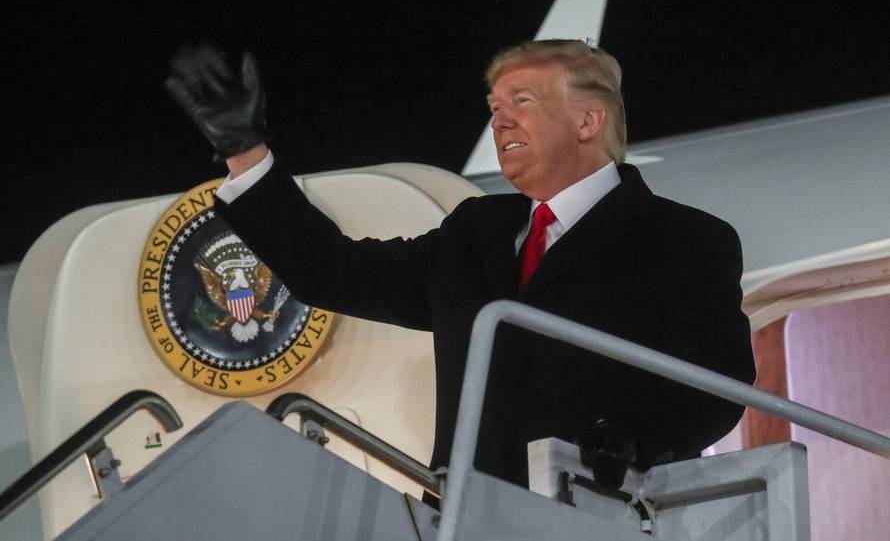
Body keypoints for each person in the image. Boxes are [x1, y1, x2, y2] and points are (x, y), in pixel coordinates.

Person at [166, 40, 756, 494]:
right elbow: (332, 271)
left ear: (588, 122)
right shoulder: (475, 233)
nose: (499, 122)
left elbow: (713, 389)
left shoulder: (685, 240)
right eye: (494, 107)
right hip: (466, 518)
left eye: (521, 103)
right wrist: (246, 151)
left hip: (601, 513)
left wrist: (632, 438)